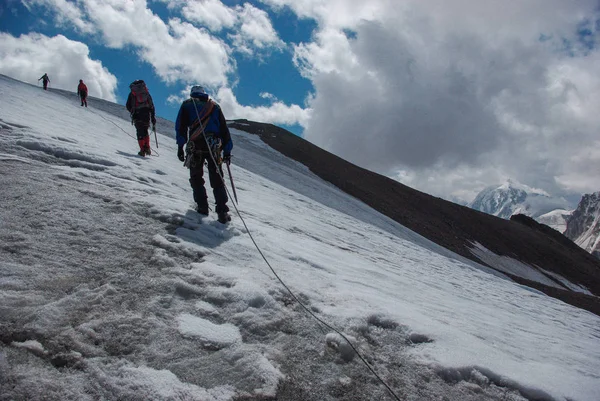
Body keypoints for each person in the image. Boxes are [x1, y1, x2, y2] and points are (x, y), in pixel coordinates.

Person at [175, 85, 233, 223]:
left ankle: (202, 207)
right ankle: (222, 213)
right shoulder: (215, 107)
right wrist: (227, 151)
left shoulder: (187, 105)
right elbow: (224, 130)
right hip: (214, 147)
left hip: (196, 146)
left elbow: (181, 127)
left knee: (196, 177)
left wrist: (180, 146)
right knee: (217, 179)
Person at [126, 80, 156, 156]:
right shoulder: (146, 93)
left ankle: (142, 150)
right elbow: (152, 106)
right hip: (146, 114)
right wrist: (153, 117)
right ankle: (147, 147)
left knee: (139, 131)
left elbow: (128, 105)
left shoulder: (132, 94)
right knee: (145, 130)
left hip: (137, 114)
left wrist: (133, 111)